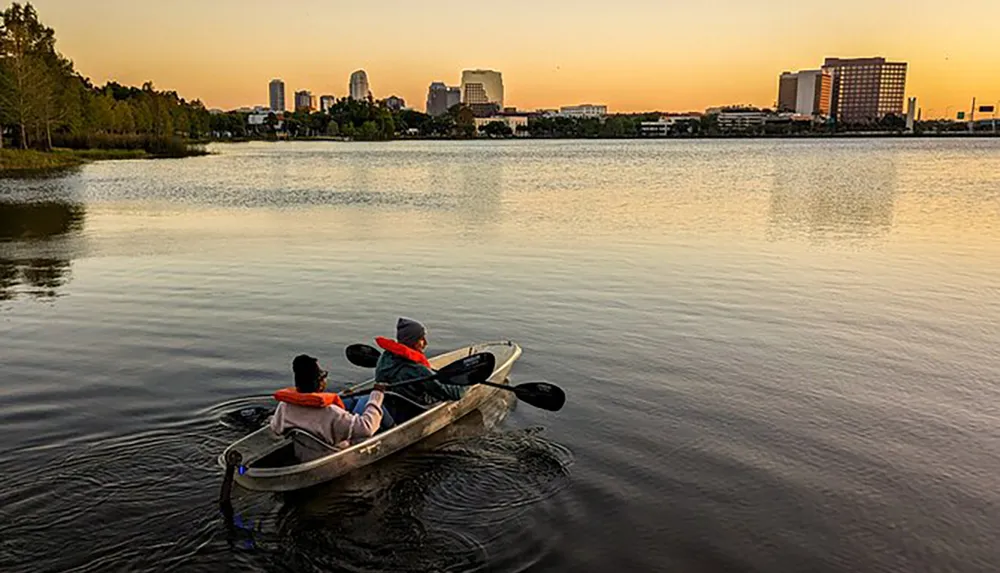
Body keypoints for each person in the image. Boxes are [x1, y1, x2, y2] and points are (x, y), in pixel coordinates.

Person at [270, 354, 388, 449]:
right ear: (320, 383)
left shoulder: (284, 406)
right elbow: (367, 428)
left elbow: (275, 428)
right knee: (365, 400)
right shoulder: (331, 412)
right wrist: (376, 395)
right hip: (331, 452)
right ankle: (392, 426)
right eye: (323, 374)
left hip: (303, 451)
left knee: (351, 400)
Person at [374, 317, 466, 410]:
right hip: (414, 408)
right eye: (421, 339)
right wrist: (467, 383)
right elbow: (455, 394)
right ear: (412, 341)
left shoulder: (385, 357)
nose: (426, 343)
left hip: (392, 403)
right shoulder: (417, 370)